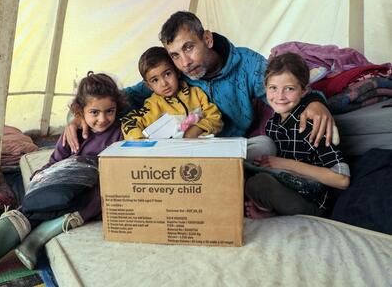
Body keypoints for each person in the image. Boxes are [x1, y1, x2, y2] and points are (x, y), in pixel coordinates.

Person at [63, 11, 335, 160]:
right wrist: (78, 115)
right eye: (175, 55)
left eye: (189, 48)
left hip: (231, 146)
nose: (185, 63)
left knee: (265, 146)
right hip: (183, 148)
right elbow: (122, 98)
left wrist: (316, 102)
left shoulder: (248, 65)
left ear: (207, 38)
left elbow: (285, 89)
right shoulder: (173, 77)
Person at [0, 72, 126, 282]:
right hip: (64, 191)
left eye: (109, 111)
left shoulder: (120, 134)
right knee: (44, 199)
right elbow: (55, 161)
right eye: (94, 112)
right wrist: (40, 177)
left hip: (88, 201)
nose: (103, 119)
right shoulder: (74, 135)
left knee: (52, 203)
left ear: (117, 109)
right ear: (80, 111)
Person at [244, 53, 350, 219]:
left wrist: (282, 163)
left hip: (313, 201)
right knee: (242, 173)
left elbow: (342, 180)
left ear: (304, 91)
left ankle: (271, 212)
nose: (280, 96)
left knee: (259, 184)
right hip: (288, 184)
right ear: (265, 88)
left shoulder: (314, 123)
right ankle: (269, 209)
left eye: (289, 89)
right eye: (273, 88)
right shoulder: (273, 123)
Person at [121, 46, 223, 139]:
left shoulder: (196, 94)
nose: (164, 83)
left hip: (203, 150)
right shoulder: (153, 105)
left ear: (177, 71)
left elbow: (215, 118)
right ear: (149, 86)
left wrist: (197, 129)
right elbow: (129, 123)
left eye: (167, 74)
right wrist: (140, 143)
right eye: (155, 80)